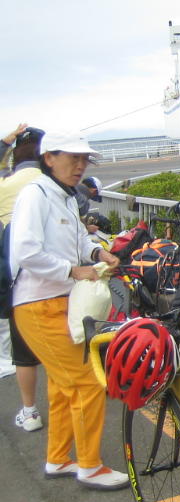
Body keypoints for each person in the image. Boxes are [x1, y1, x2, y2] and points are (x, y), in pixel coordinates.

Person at [10, 129, 128, 490]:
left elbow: (78, 239)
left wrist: (98, 252)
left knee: (63, 386)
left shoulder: (62, 195)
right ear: (49, 158)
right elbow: (25, 251)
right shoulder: (36, 193)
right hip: (38, 303)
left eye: (84, 159)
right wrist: (75, 270)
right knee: (88, 382)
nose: (80, 166)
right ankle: (89, 466)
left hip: (57, 302)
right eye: (73, 158)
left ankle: (59, 458)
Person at [0, 126, 45, 431]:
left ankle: (30, 412)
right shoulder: (54, 183)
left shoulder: (5, 185)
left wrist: (4, 141)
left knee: (24, 354)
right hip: (60, 280)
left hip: (18, 282)